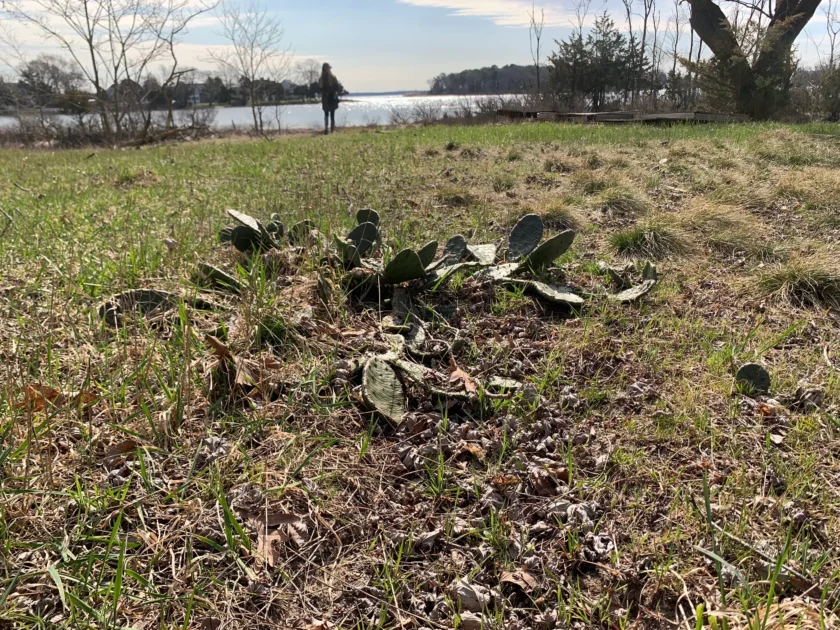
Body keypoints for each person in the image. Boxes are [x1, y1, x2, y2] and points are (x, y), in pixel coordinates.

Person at [319, 63, 340, 134]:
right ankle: (332, 129)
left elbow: (321, 89)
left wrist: (326, 92)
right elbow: (337, 87)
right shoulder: (333, 77)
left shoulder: (321, 78)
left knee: (326, 113)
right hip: (332, 97)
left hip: (325, 97)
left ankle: (326, 128)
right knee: (332, 114)